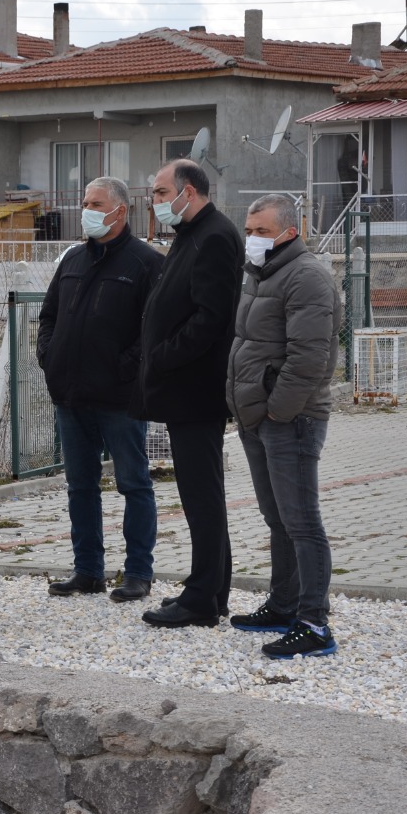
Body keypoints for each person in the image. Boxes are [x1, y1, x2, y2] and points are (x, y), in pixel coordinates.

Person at [226, 193, 340, 657]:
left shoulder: (307, 276)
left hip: (290, 418)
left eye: (262, 232)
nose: (252, 240)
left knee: (301, 522)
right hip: (257, 415)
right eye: (249, 231)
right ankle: (283, 603)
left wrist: (277, 409)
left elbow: (310, 357)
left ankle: (314, 623)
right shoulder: (259, 273)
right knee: (277, 519)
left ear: (290, 233)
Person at [36, 177, 161, 603]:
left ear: (120, 211)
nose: (86, 209)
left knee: (134, 483)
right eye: (85, 201)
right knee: (80, 486)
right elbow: (49, 315)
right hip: (70, 396)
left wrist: (123, 370)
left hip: (119, 399)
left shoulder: (146, 263)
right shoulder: (72, 258)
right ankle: (87, 569)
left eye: (95, 203)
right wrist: (48, 356)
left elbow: (153, 331)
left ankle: (138, 573)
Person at [135, 159, 244, 629]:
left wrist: (161, 356)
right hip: (183, 388)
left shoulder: (215, 235)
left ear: (189, 191)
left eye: (160, 193)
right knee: (201, 493)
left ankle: (201, 599)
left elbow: (210, 318)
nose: (155, 202)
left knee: (202, 494)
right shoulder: (190, 234)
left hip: (196, 389)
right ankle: (211, 589)